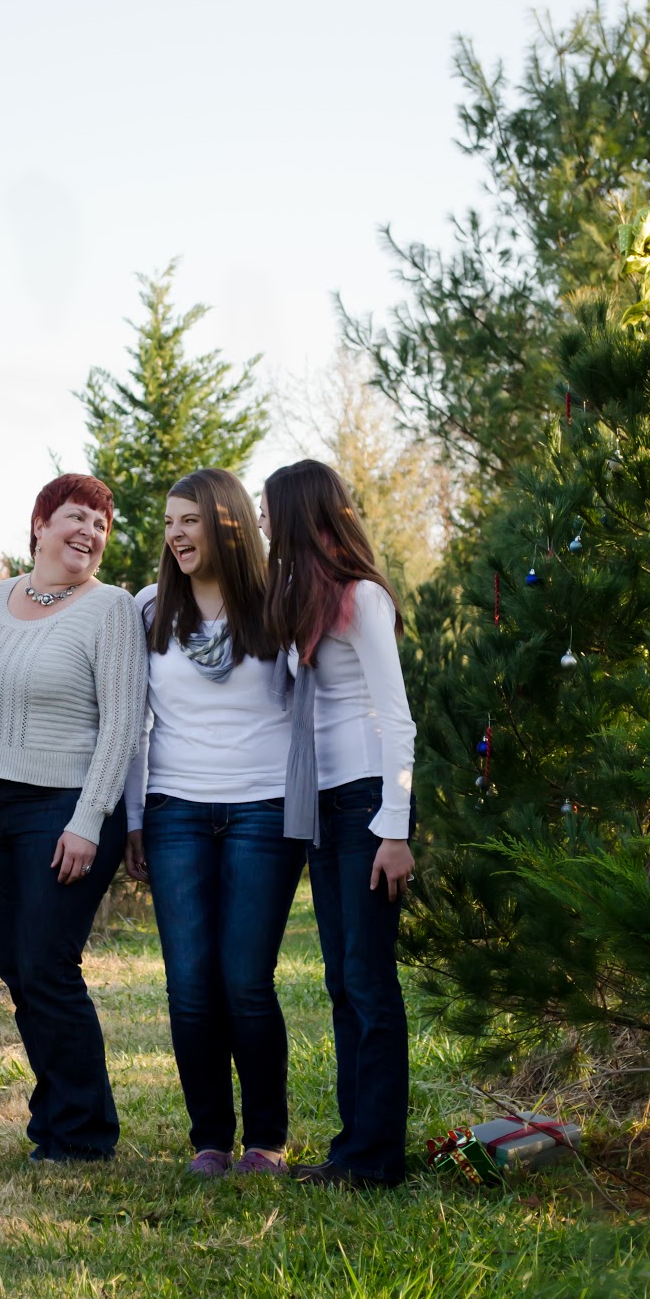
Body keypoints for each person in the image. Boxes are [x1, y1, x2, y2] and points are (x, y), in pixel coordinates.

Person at [0, 473, 147, 1163]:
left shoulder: (111, 609)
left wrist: (90, 819)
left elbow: (124, 721)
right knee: (19, 971)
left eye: (100, 525)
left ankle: (82, 1133)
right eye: (76, 517)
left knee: (47, 964)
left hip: (65, 807)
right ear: (38, 523)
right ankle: (61, 1116)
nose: (89, 533)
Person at [124, 469, 305, 1176]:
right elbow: (133, 720)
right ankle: (210, 1139)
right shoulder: (147, 609)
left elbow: (316, 699)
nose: (175, 535)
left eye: (189, 521)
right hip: (176, 812)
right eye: (169, 523)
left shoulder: (279, 600)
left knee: (245, 980)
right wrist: (136, 817)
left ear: (228, 522)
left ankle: (267, 1138)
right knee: (190, 984)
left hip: (265, 810)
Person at [260, 459, 416, 1190]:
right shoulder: (305, 601)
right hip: (322, 808)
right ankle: (355, 1147)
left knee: (368, 981)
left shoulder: (362, 599)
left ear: (300, 516)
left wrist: (395, 827)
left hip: (365, 807)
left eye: (268, 513)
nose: (262, 525)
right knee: (341, 981)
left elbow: (397, 718)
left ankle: (376, 1157)